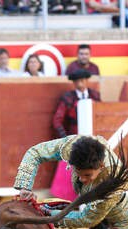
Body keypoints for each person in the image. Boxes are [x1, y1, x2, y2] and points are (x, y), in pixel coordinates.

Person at [50, 69, 101, 200]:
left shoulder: (95, 95)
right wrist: (66, 139)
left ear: (86, 80)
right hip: (74, 139)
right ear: (73, 83)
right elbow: (57, 120)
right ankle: (66, 200)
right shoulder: (68, 97)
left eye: (82, 80)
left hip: (93, 140)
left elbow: (100, 116)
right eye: (77, 81)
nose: (80, 83)